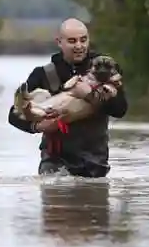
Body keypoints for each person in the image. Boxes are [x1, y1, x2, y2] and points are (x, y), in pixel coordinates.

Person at [7, 18, 128, 177]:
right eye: (72, 41)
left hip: (94, 161)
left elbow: (120, 109)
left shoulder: (105, 68)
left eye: (83, 40)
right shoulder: (43, 74)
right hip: (54, 161)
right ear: (59, 42)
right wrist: (37, 127)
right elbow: (13, 115)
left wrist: (88, 94)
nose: (79, 46)